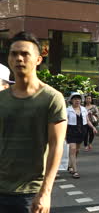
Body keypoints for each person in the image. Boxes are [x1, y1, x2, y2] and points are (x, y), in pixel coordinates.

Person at [0, 32, 68, 213]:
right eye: (14, 54)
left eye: (25, 54)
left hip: (30, 193)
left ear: (38, 59)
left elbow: (56, 146)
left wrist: (45, 193)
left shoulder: (52, 98)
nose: (19, 58)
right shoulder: (1, 98)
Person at [66, 92, 97, 179]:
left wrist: (93, 128)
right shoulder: (67, 110)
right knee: (72, 149)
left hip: (81, 131)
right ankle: (75, 171)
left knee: (76, 150)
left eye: (78, 99)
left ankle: (70, 165)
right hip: (71, 130)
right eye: (75, 99)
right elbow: (64, 122)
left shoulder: (83, 109)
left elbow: (87, 120)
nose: (77, 100)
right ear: (71, 100)